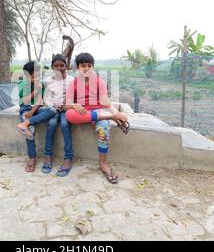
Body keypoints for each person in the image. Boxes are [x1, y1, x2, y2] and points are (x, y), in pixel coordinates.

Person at [63, 53, 130, 184]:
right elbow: (66, 106)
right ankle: (111, 117)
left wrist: (117, 113)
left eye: (89, 66)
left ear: (92, 67)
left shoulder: (99, 82)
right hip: (83, 112)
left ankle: (103, 163)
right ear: (78, 67)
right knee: (69, 115)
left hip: (98, 111)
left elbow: (106, 103)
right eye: (83, 66)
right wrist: (73, 104)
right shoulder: (73, 83)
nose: (86, 69)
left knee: (104, 126)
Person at [17, 61, 57, 172]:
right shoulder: (23, 84)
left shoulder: (41, 84)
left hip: (38, 108)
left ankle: (25, 123)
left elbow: (39, 101)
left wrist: (32, 114)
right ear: (26, 76)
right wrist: (36, 90)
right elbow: (25, 100)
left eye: (38, 76)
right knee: (30, 130)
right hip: (25, 108)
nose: (37, 79)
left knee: (53, 110)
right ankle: (32, 157)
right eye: (33, 77)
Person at [41, 54, 74, 177]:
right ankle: (47, 156)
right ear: (52, 67)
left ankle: (68, 158)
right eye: (56, 66)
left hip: (67, 109)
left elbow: (73, 97)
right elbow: (47, 97)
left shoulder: (71, 80)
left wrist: (66, 105)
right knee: (51, 123)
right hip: (53, 109)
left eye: (62, 65)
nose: (59, 68)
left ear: (66, 66)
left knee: (65, 124)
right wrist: (52, 106)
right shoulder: (48, 81)